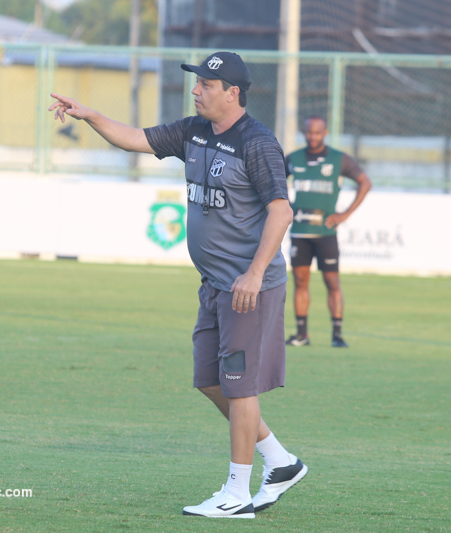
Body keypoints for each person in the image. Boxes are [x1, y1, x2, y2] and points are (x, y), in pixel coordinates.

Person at [49, 51, 308, 519]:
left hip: (248, 289)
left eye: (206, 85)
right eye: (197, 83)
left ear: (232, 93)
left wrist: (253, 274)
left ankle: (237, 494)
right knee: (210, 381)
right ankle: (280, 461)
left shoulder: (257, 142)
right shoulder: (194, 130)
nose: (196, 91)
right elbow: (136, 139)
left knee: (239, 388)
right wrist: (90, 116)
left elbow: (281, 211)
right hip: (214, 284)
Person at [285, 116, 372, 348]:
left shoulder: (338, 159)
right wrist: (285, 207)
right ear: (303, 132)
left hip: (326, 233)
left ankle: (337, 335)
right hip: (300, 232)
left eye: (317, 132)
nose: (312, 136)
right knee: (300, 282)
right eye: (309, 132)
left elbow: (365, 182)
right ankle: (302, 335)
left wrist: (345, 214)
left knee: (332, 281)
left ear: (325, 133)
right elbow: (272, 182)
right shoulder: (293, 159)